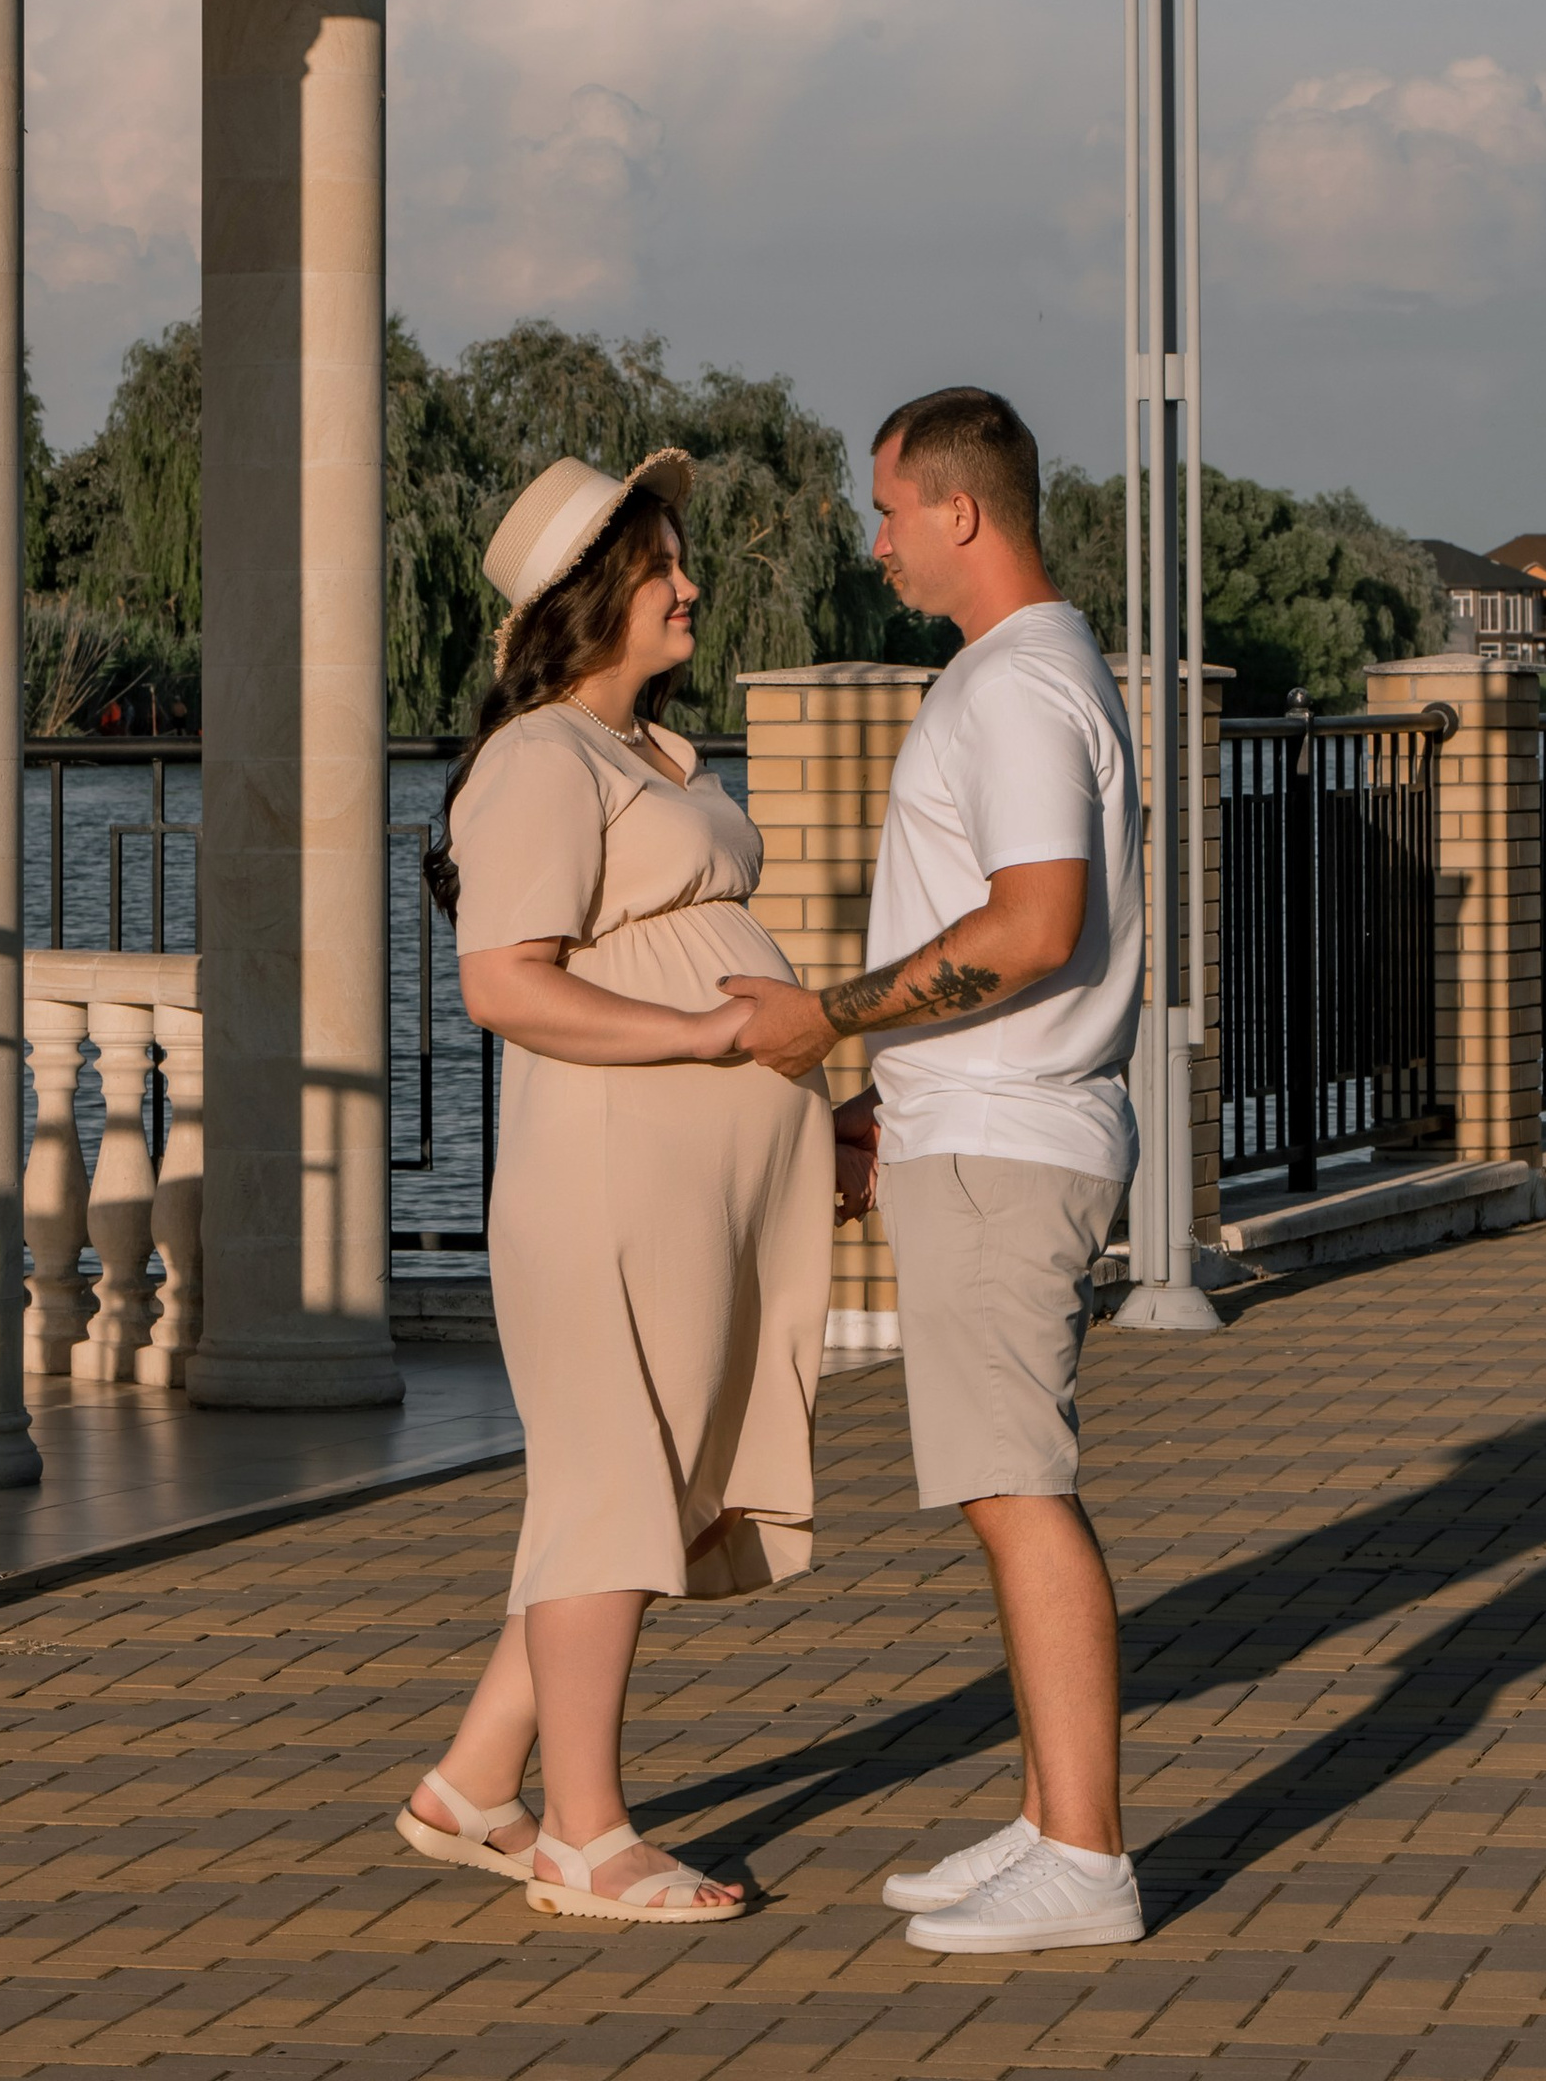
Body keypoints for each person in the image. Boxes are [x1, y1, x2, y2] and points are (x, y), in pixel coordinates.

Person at [724, 383, 1148, 1955]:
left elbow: (1037, 926)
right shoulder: (1017, 676)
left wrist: (825, 1019)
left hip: (1008, 1148)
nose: (878, 539)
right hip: (974, 1129)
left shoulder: (1017, 688)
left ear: (962, 511)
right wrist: (882, 1105)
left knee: (1016, 1489)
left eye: (890, 508)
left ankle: (1088, 1858)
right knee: (1002, 1484)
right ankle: (1051, 1821)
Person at [397, 449, 833, 1925]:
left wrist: (808, 1113)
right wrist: (712, 1031)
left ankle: (472, 1784)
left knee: (629, 1484)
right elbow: (507, 988)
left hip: (687, 1182)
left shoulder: (650, 752)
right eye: (660, 566)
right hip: (600, 1177)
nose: (690, 583)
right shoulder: (539, 760)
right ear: (591, 598)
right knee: (607, 1486)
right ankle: (587, 1838)